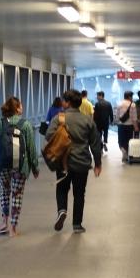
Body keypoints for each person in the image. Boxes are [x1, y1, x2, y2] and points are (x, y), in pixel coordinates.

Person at [0, 96, 40, 238]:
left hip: (3, 164)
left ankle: (4, 222)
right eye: (21, 105)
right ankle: (13, 228)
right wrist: (35, 167)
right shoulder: (25, 125)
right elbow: (31, 148)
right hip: (20, 166)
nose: (22, 107)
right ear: (16, 108)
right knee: (17, 195)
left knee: (4, 193)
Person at [46, 89, 102, 234]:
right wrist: (98, 163)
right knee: (79, 193)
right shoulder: (87, 120)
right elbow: (95, 144)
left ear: (68, 103)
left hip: (63, 162)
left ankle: (62, 210)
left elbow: (48, 135)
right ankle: (77, 224)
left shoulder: (59, 118)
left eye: (64, 100)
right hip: (82, 162)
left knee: (62, 189)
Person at [113, 92, 136, 162]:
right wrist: (136, 126)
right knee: (129, 141)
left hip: (121, 125)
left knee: (121, 140)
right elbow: (134, 118)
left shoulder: (119, 104)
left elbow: (116, 116)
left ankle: (123, 151)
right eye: (131, 96)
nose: (132, 98)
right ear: (129, 97)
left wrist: (116, 122)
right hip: (130, 126)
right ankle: (127, 154)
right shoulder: (133, 105)